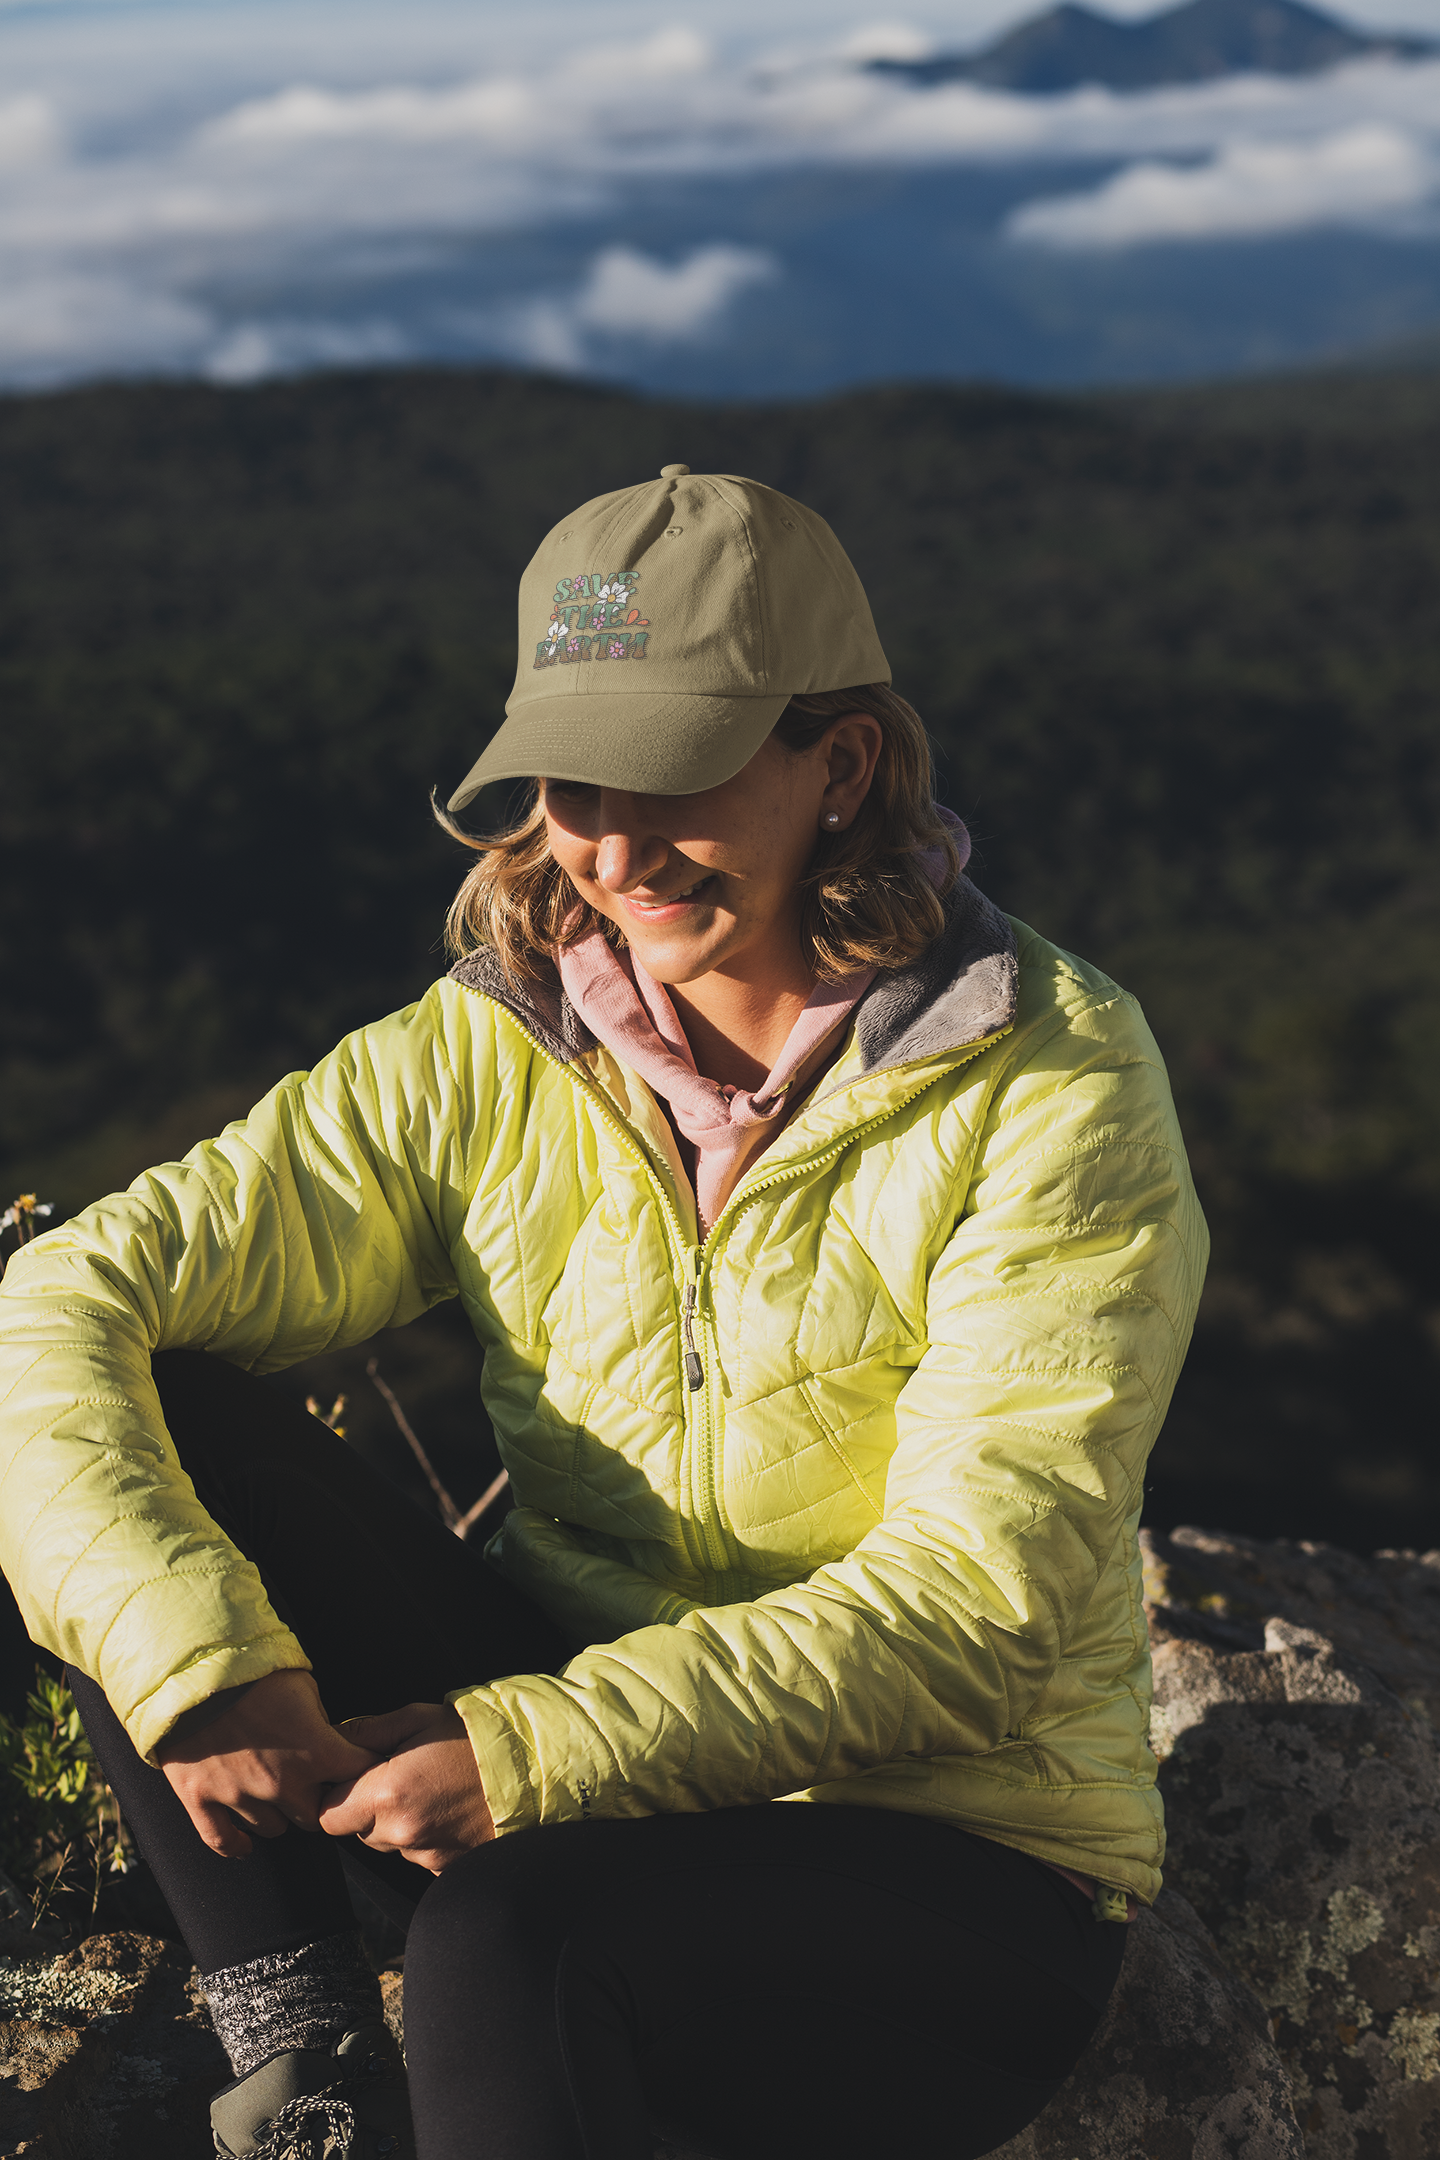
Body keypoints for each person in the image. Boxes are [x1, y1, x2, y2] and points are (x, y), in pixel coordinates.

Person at [0, 464, 1208, 2160]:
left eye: (681, 777)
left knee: (517, 1942)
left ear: (841, 762)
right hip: (559, 1746)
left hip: (940, 1853)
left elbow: (978, 1606)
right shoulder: (499, 1045)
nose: (617, 849)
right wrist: (195, 1667)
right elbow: (59, 1298)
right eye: (571, 782)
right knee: (147, 1403)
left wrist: (524, 1748)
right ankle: (309, 2064)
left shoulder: (1052, 1080)